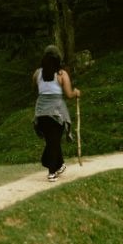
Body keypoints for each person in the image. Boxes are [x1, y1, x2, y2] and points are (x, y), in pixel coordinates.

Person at [33, 45, 80, 182]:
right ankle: (51, 171)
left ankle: (59, 165)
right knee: (53, 141)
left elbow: (35, 89)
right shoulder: (61, 74)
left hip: (41, 112)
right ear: (58, 58)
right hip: (57, 112)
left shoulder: (37, 73)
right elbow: (69, 94)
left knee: (51, 140)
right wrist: (76, 93)